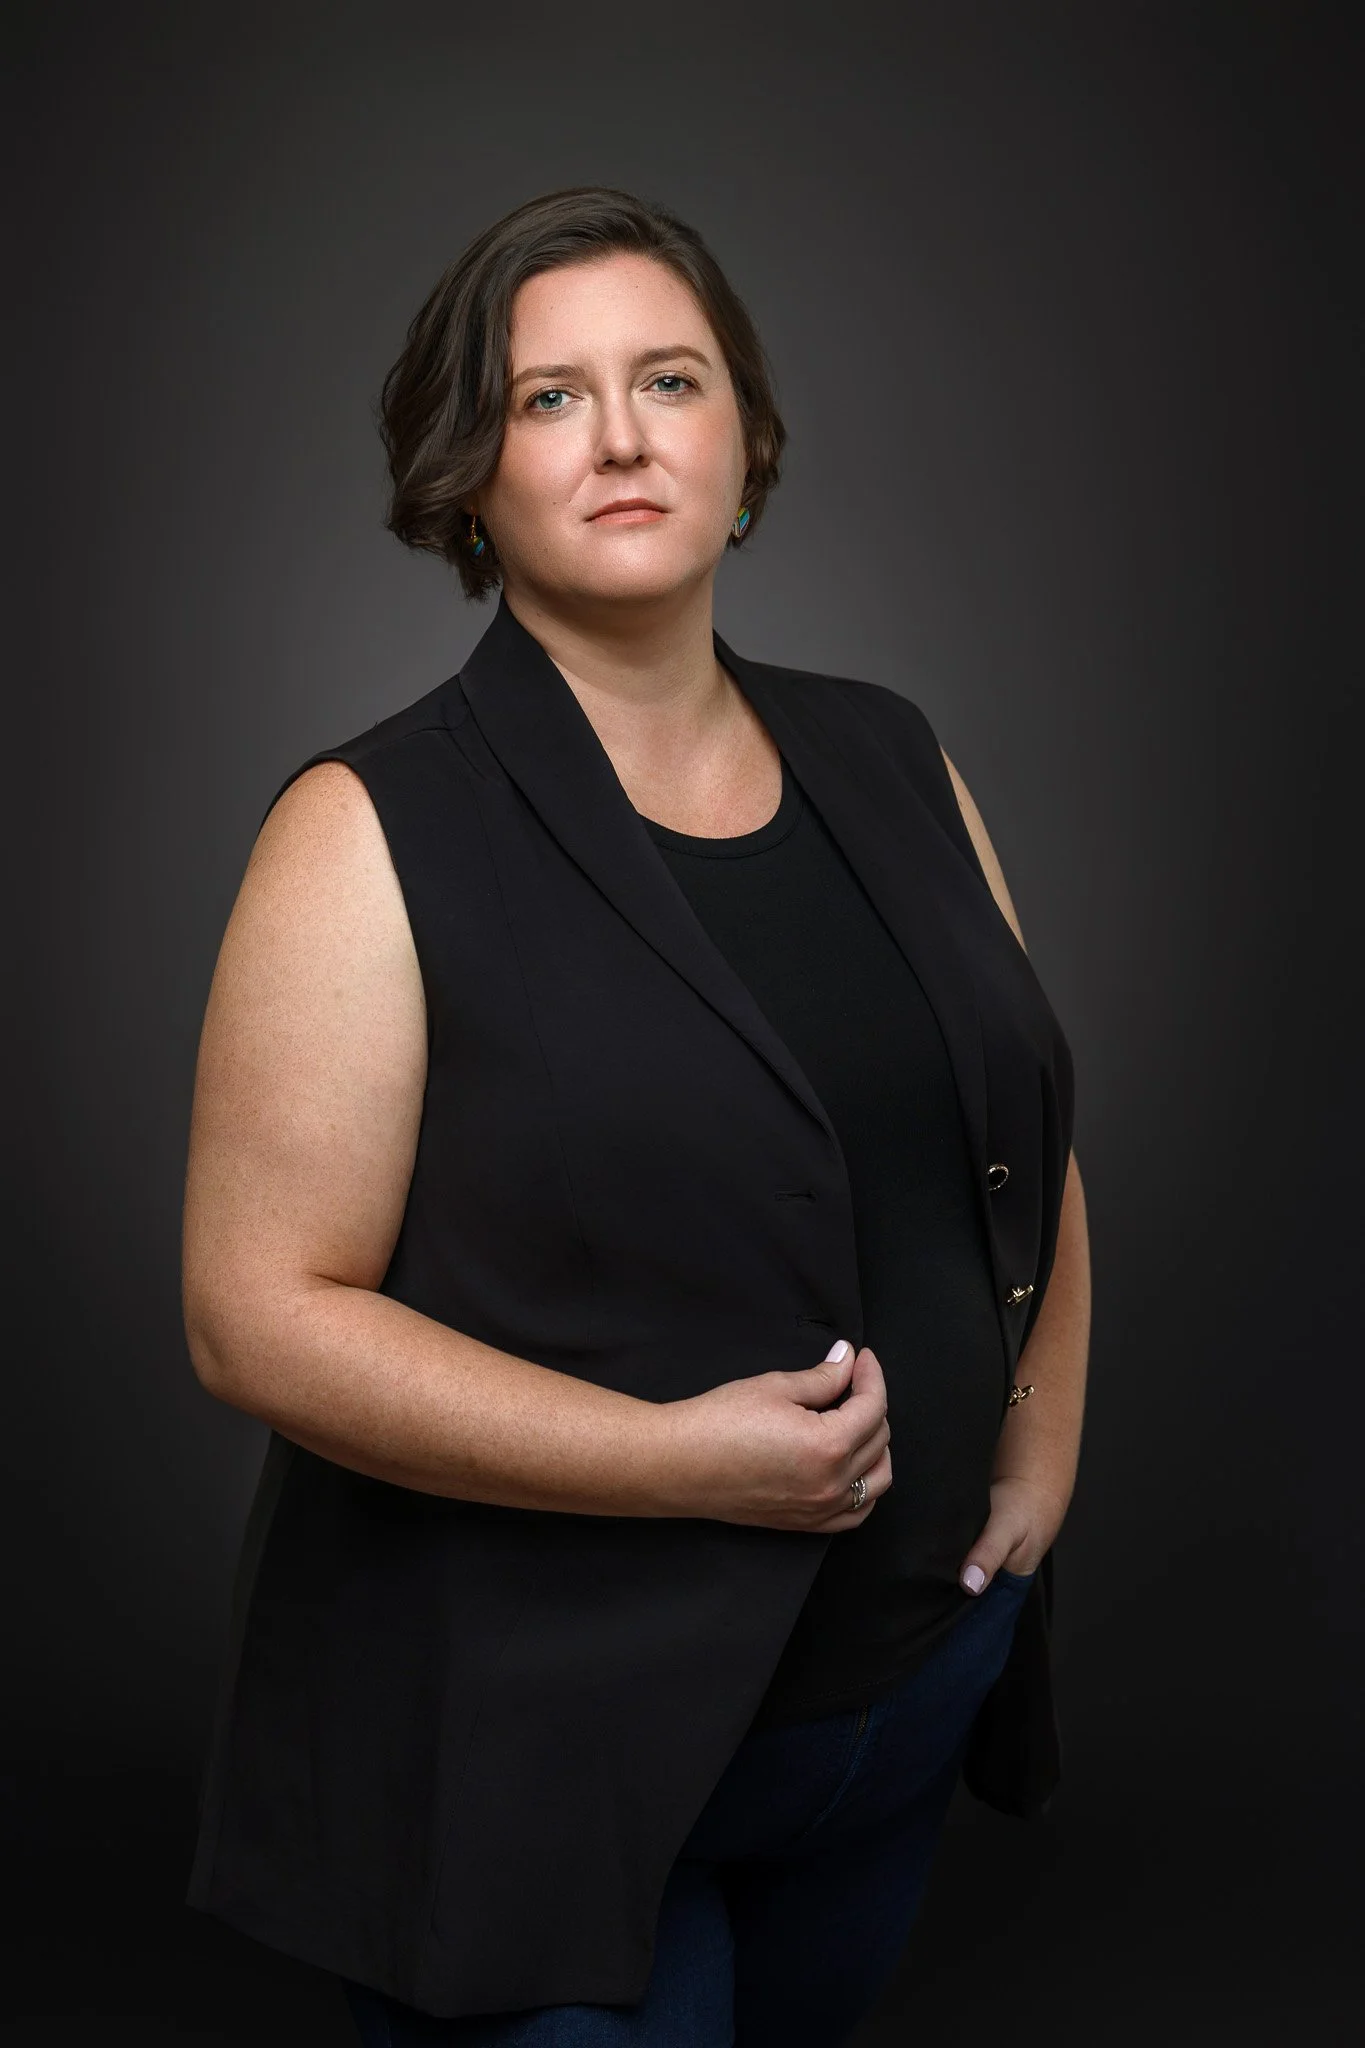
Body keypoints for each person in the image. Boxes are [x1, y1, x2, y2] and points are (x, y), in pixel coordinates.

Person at [182, 185, 1090, 2047]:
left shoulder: (893, 752)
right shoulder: (365, 831)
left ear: (742, 443)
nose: (616, 435)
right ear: (468, 478)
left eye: (668, 380)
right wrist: (676, 1462)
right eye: (545, 398)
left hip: (891, 1712)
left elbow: (1018, 1130)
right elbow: (255, 1312)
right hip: (540, 1758)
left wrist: (1041, 1454)